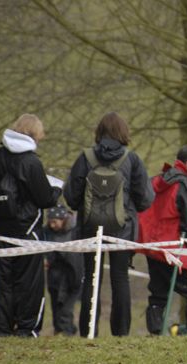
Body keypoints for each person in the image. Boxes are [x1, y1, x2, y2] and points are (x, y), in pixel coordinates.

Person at [64, 112, 153, 337]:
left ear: (99, 132)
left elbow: (72, 197)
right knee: (120, 277)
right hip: (122, 229)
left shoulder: (85, 158)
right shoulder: (131, 159)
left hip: (90, 228)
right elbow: (145, 199)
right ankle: (121, 333)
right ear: (123, 132)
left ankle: (88, 331)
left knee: (91, 278)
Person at [0, 114, 61, 337]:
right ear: (36, 135)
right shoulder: (31, 161)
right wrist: (57, 190)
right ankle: (27, 329)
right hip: (29, 230)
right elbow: (45, 199)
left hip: (3, 228)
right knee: (30, 283)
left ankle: (1, 328)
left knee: (3, 282)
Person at [138, 145, 187, 335]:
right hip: (173, 250)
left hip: (153, 246)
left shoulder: (157, 181)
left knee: (158, 293)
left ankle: (155, 332)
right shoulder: (185, 188)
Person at [43, 204, 83, 336]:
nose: (52, 225)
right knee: (55, 305)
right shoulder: (46, 232)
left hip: (72, 275)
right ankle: (59, 330)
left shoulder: (76, 231)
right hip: (54, 275)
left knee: (66, 308)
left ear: (63, 219)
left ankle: (66, 331)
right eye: (50, 221)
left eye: (54, 221)